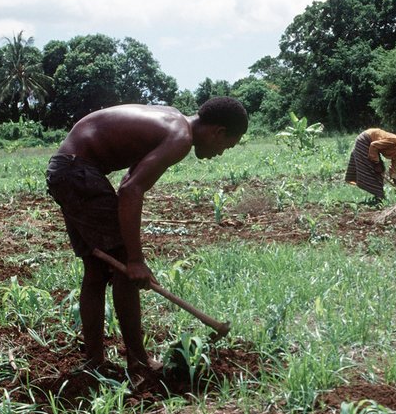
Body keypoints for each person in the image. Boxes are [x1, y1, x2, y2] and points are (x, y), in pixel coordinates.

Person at [46, 97, 248, 380]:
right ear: (219, 132)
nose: (220, 153)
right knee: (125, 271)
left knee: (96, 269)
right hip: (77, 171)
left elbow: (128, 181)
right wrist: (135, 259)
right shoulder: (180, 137)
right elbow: (131, 191)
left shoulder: (173, 121)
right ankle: (138, 362)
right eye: (227, 146)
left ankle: (95, 362)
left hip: (66, 170)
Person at [344, 128, 396, 202]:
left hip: (371, 146)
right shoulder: (394, 141)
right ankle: (379, 196)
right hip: (365, 140)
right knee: (371, 169)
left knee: (380, 170)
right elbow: (374, 145)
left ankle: (378, 196)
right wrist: (376, 163)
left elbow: (393, 166)